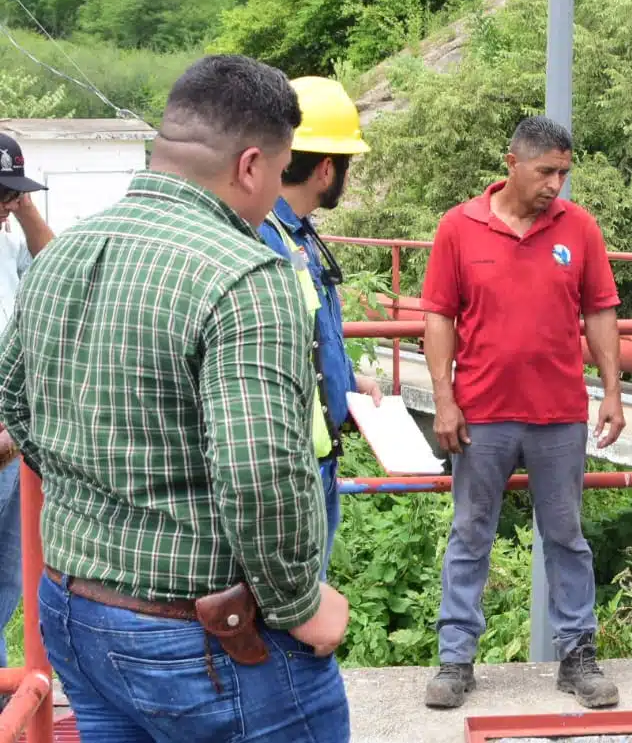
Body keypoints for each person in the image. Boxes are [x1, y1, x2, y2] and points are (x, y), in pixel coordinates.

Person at [0, 54, 352, 742]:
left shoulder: (64, 253)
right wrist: (300, 602)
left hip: (76, 613)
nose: (275, 191)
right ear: (250, 166)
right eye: (280, 173)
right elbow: (260, 477)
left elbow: (15, 400)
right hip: (203, 636)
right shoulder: (248, 275)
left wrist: (109, 486)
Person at [420, 115, 626, 710]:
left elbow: (601, 312)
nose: (556, 185)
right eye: (546, 172)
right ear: (512, 163)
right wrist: (443, 399)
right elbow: (438, 316)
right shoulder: (458, 227)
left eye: (564, 172)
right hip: (481, 413)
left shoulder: (579, 228)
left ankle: (578, 659)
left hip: (559, 413)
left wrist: (612, 392)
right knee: (470, 533)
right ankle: (455, 660)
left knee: (566, 536)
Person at [258, 75, 383, 577]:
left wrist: (349, 384)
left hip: (316, 453)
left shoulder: (294, 236)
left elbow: (312, 338)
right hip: (295, 465)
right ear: (326, 169)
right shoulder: (270, 239)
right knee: (298, 601)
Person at [0, 134, 54, 697]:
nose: (5, 206)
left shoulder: (8, 236)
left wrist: (24, 205)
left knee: (6, 588)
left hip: (10, 442)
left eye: (10, 195)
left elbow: (55, 262)